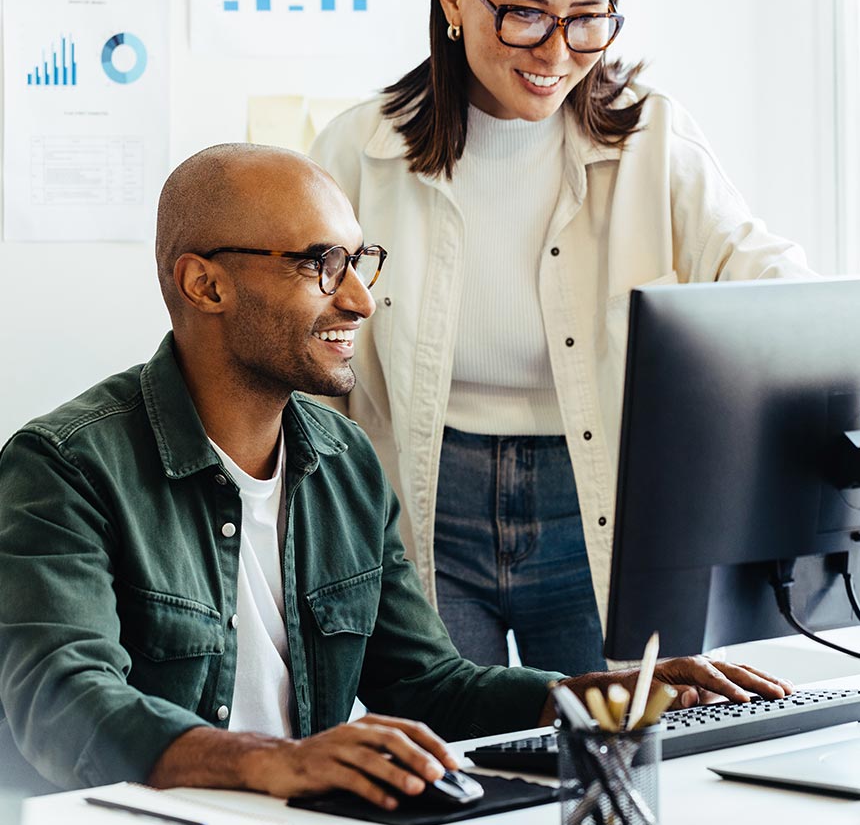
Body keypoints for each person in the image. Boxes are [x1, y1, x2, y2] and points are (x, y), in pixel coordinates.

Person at [0, 143, 792, 806]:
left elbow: (427, 684)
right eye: (321, 263)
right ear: (205, 283)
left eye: (359, 261)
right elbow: (60, 700)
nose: (359, 300)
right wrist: (270, 761)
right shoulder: (64, 466)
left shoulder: (343, 462)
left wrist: (589, 697)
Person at [309, 0, 815, 676]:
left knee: (614, 751)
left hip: (594, 503)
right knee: (463, 759)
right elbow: (302, 348)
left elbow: (778, 291)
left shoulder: (655, 138)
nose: (556, 54)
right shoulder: (357, 151)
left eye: (586, 19)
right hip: (423, 505)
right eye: (524, 14)